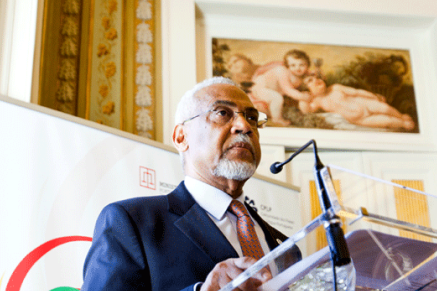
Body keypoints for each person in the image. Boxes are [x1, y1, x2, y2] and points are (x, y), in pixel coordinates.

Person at [81, 77, 298, 291]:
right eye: (222, 113)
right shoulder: (131, 222)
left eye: (252, 117)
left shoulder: (286, 246)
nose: (244, 126)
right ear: (181, 137)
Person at [299, 75, 415, 131]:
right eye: (310, 81)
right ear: (307, 91)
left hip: (363, 104)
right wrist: (302, 97)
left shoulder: (335, 88)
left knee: (384, 108)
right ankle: (403, 123)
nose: (316, 80)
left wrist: (373, 96)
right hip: (358, 119)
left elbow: (356, 92)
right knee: (386, 121)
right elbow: (306, 110)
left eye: (316, 77)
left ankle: (401, 116)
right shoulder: (317, 102)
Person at [249, 49, 312, 126]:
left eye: (302, 65)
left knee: (275, 102)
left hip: (271, 90)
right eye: (293, 65)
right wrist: (302, 96)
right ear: (287, 66)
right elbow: (288, 90)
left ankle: (263, 112)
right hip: (260, 87)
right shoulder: (282, 72)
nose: (298, 68)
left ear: (307, 65)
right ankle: (277, 119)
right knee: (277, 98)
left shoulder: (304, 73)